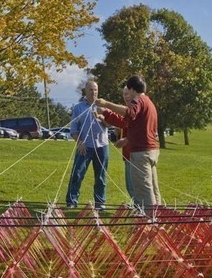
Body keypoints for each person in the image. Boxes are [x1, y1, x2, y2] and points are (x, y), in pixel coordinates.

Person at [96, 75, 160, 213]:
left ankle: (150, 220)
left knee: (143, 189)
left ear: (132, 89)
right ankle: (158, 216)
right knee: (153, 188)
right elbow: (140, 128)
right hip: (152, 150)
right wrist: (127, 139)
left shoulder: (139, 100)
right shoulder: (148, 102)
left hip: (141, 152)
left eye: (128, 91)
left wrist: (106, 104)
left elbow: (129, 113)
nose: (128, 95)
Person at [66, 81, 109, 210]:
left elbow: (110, 124)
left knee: (101, 176)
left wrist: (101, 117)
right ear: (85, 91)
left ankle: (100, 203)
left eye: (95, 89)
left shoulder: (103, 106)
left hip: (102, 146)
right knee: (77, 174)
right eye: (90, 89)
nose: (93, 92)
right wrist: (80, 143)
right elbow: (73, 130)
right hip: (85, 146)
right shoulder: (78, 108)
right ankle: (72, 201)